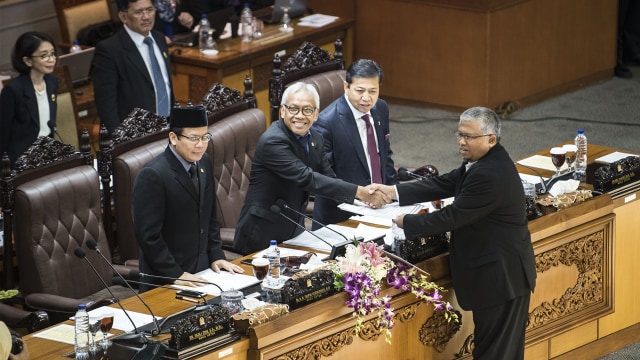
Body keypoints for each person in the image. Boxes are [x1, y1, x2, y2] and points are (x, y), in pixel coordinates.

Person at [369, 107, 536, 359]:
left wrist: (407, 222)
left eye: (469, 137)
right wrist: (394, 192)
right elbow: (445, 183)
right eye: (459, 134)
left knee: (495, 354)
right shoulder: (484, 161)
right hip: (501, 276)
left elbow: (452, 217)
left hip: (502, 279)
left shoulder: (489, 174)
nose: (461, 141)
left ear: (491, 139)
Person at [232, 82, 389, 255]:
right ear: (282, 111)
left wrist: (366, 204)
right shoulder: (273, 141)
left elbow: (329, 178)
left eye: (307, 110)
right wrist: (360, 192)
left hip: (293, 228)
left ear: (316, 114)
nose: (299, 116)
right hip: (260, 234)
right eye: (293, 109)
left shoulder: (315, 138)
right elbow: (308, 178)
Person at [132, 104, 243, 292]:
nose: (200, 144)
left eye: (205, 137)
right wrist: (175, 274)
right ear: (173, 138)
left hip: (204, 274)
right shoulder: (153, 175)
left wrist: (217, 255)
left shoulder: (203, 161)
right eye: (193, 138)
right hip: (166, 279)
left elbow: (210, 217)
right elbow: (148, 237)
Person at [312, 59, 397, 228]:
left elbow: (384, 156)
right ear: (346, 87)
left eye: (373, 91)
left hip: (383, 208)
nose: (367, 98)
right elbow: (325, 177)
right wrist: (362, 196)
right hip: (343, 216)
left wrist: (395, 194)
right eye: (360, 91)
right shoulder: (326, 122)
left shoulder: (381, 108)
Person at [92, 0, 173, 134]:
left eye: (149, 10)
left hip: (167, 127)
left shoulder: (160, 39)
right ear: (123, 17)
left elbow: (165, 84)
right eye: (138, 12)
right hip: (133, 135)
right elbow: (106, 105)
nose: (146, 17)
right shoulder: (109, 50)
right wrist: (119, 140)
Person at [0, 31, 58, 167]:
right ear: (28, 60)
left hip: (47, 155)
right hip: (19, 160)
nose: (51, 59)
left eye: (53, 53)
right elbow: (3, 133)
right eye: (44, 56)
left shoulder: (52, 81)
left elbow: (48, 125)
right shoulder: (14, 90)